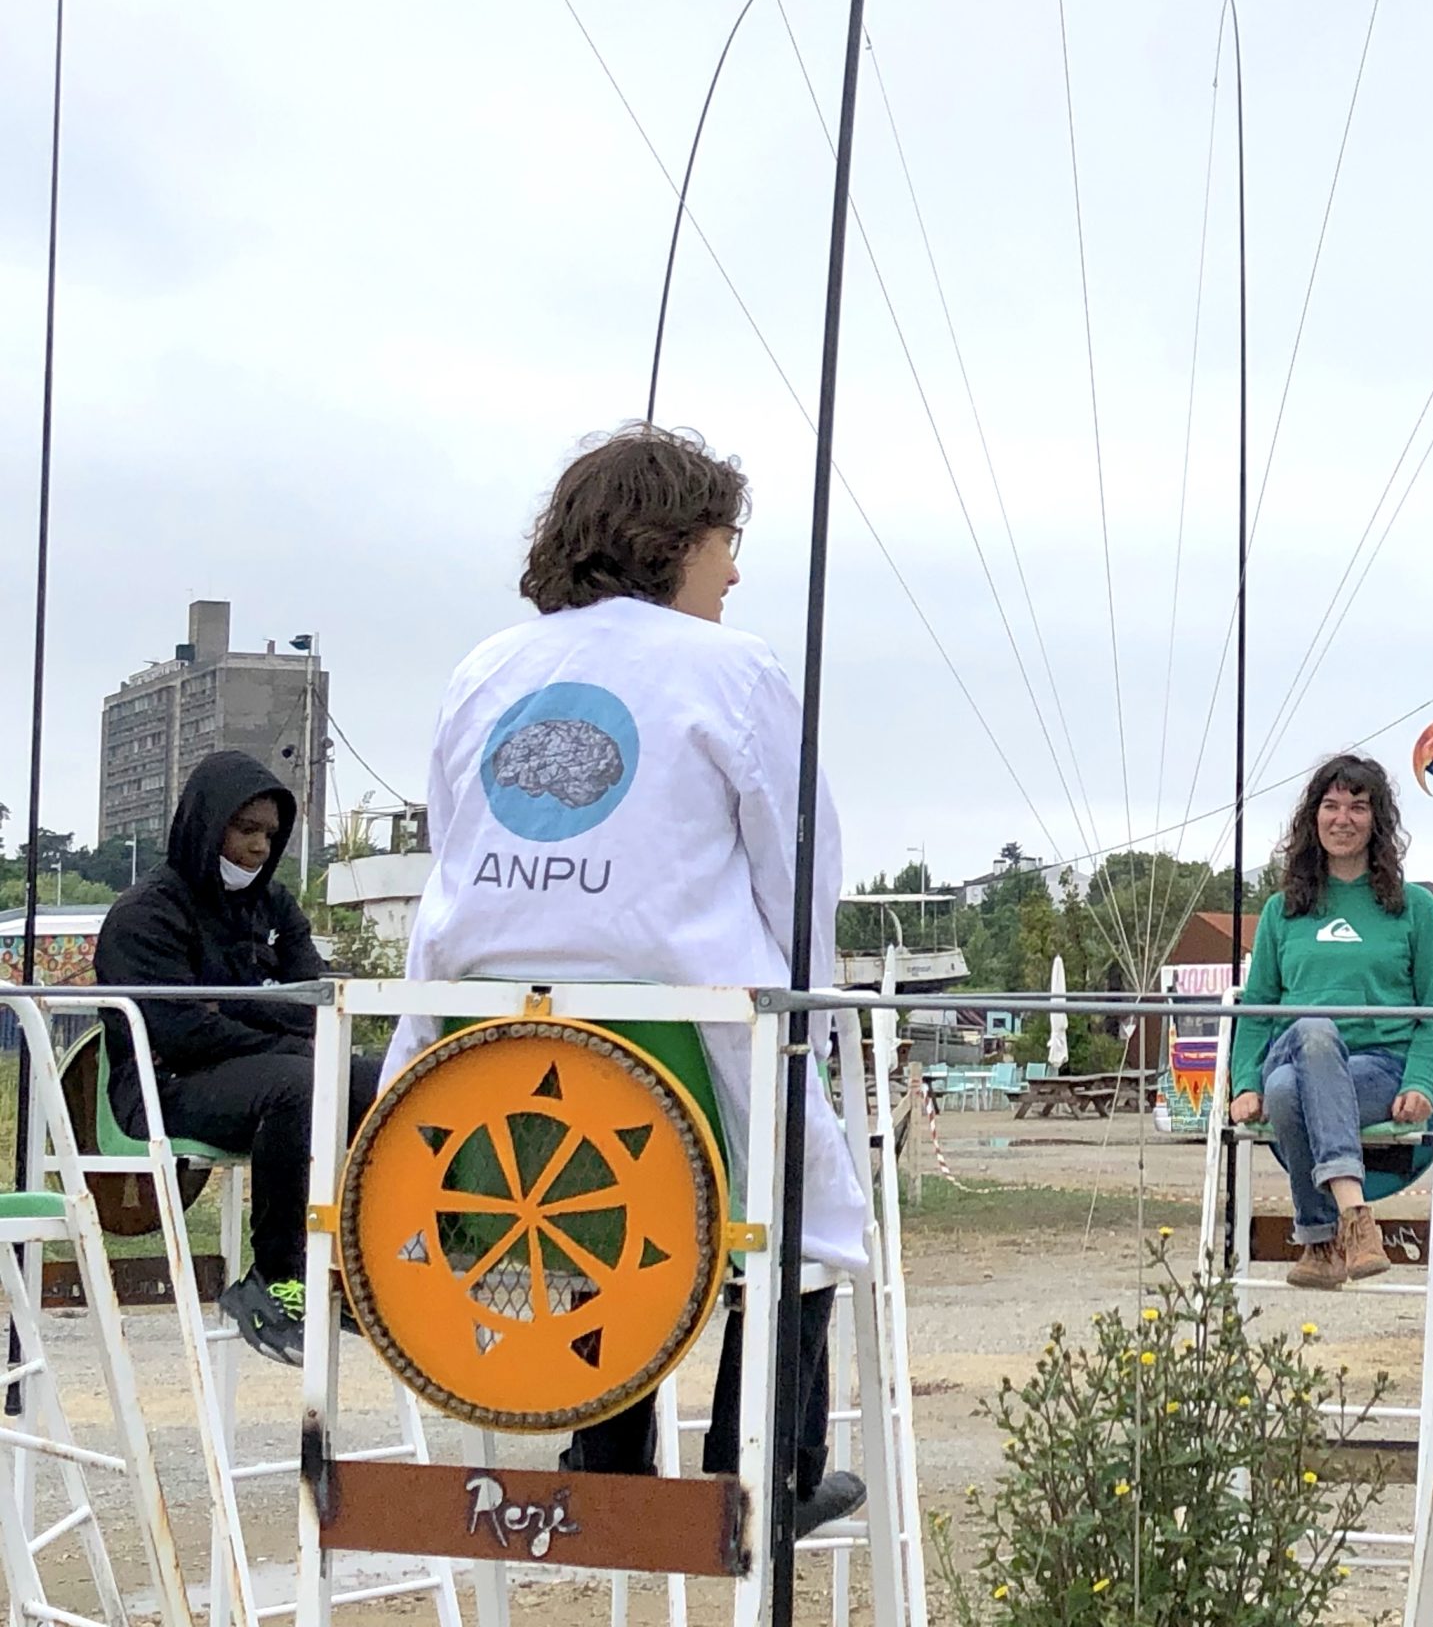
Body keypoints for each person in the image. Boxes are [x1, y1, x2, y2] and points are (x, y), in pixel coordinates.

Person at [384, 424, 866, 1532]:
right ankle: (765, 1472)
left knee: (608, 1202)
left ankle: (606, 1446)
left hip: (486, 1068)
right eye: (725, 541)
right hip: (682, 1044)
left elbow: (448, 863)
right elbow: (801, 867)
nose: (736, 571)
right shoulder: (735, 672)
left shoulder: (484, 668)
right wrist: (819, 1033)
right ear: (673, 539)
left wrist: (409, 1056)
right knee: (809, 1202)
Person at [96, 751, 372, 1365]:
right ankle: (275, 1278)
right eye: (245, 830)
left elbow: (313, 1002)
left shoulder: (275, 908)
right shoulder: (145, 914)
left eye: (270, 835)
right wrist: (273, 1021)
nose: (257, 847)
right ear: (206, 823)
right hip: (163, 1087)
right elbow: (182, 1031)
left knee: (385, 1078)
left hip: (254, 1067)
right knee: (300, 1085)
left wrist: (246, 1013)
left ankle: (360, 1262)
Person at [1227, 753, 1433, 1290]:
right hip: (1296, 1046)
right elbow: (1257, 1008)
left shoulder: (1414, 908)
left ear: (1377, 821)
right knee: (1311, 1030)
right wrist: (1242, 1082)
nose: (1342, 818)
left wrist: (1421, 1083)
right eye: (1330, 805)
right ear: (1312, 818)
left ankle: (1320, 1245)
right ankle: (1354, 1216)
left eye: (1357, 806)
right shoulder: (1284, 911)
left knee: (1285, 1091)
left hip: (1380, 1066)